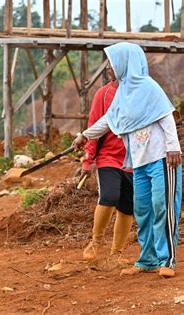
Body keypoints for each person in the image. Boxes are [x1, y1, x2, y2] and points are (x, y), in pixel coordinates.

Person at [74, 42, 182, 278]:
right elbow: (107, 120)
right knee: (142, 209)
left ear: (126, 63)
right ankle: (148, 259)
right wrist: (84, 136)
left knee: (162, 207)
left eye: (113, 63)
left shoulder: (149, 88)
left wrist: (173, 148)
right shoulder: (123, 93)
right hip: (139, 162)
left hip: (162, 159)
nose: (110, 68)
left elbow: (166, 116)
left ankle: (168, 259)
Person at [81, 63, 134, 265]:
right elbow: (94, 126)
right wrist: (88, 159)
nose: (109, 69)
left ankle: (117, 253)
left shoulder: (138, 94)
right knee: (110, 195)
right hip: (108, 157)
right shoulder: (103, 94)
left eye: (113, 64)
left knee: (128, 207)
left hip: (133, 159)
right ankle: (96, 242)